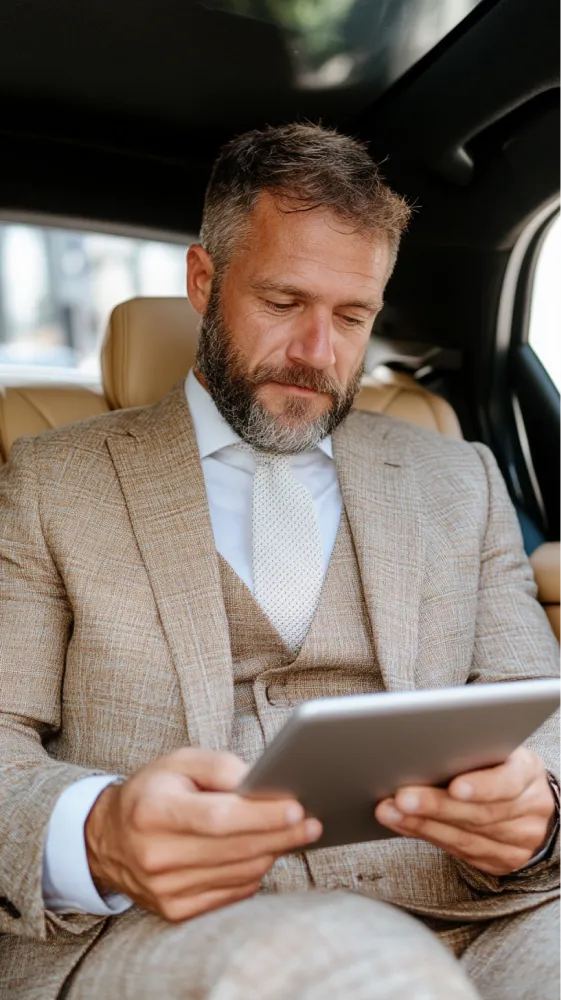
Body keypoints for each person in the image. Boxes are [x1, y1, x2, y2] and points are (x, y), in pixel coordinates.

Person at [0, 123, 560, 1000]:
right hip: (169, 927)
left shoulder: (460, 478)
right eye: (282, 301)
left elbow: (540, 718)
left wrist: (540, 815)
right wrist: (101, 833)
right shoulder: (49, 480)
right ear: (203, 281)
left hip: (479, 911)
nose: (316, 353)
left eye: (351, 317)